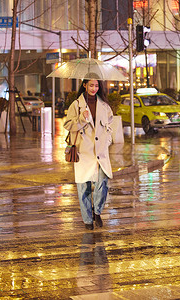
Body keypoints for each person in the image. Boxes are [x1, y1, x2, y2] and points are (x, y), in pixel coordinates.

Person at [64, 76, 114, 230]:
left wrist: (107, 141)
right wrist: (81, 118)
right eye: (91, 85)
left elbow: (110, 125)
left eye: (96, 86)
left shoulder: (104, 106)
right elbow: (68, 124)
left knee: (102, 182)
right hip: (83, 152)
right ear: (84, 85)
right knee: (83, 186)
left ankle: (97, 211)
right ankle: (87, 219)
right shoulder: (76, 105)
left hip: (100, 152)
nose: (94, 89)